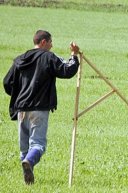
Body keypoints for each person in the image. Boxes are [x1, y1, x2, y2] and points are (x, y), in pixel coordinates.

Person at [3, 30, 80, 185]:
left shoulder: (20, 59)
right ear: (43, 42)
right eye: (50, 42)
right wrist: (74, 55)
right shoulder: (48, 57)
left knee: (24, 148)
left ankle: (28, 180)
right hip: (39, 108)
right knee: (38, 145)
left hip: (21, 109)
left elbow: (6, 83)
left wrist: (19, 95)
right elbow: (67, 70)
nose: (52, 46)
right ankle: (29, 163)